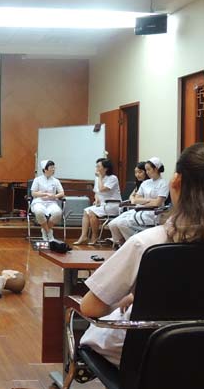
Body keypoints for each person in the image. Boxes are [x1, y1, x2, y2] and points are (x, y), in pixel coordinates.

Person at [78, 142, 204, 367]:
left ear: (176, 182)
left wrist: (125, 300)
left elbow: (91, 307)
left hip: (150, 355)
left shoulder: (147, 244)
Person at [107, 157, 169, 246]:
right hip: (138, 210)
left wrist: (143, 201)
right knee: (112, 224)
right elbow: (136, 199)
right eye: (146, 170)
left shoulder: (163, 183)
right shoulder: (145, 183)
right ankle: (122, 243)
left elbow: (157, 203)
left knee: (122, 223)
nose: (147, 172)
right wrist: (149, 200)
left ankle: (134, 245)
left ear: (155, 169)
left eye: (148, 169)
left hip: (152, 213)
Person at [74, 159, 122, 245]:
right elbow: (97, 192)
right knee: (86, 211)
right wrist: (96, 200)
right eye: (96, 166)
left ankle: (94, 236)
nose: (96, 168)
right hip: (102, 205)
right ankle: (84, 236)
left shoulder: (113, 178)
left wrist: (99, 177)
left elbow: (102, 189)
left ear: (106, 168)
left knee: (92, 212)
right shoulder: (97, 178)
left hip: (113, 205)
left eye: (99, 166)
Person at [30, 160, 65, 241]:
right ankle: (49, 233)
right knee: (39, 212)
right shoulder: (37, 180)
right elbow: (33, 193)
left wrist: (54, 196)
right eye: (51, 167)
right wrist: (43, 194)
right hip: (39, 201)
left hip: (51, 202)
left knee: (58, 213)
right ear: (45, 169)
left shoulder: (56, 181)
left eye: (54, 167)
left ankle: (45, 230)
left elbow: (62, 193)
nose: (53, 169)